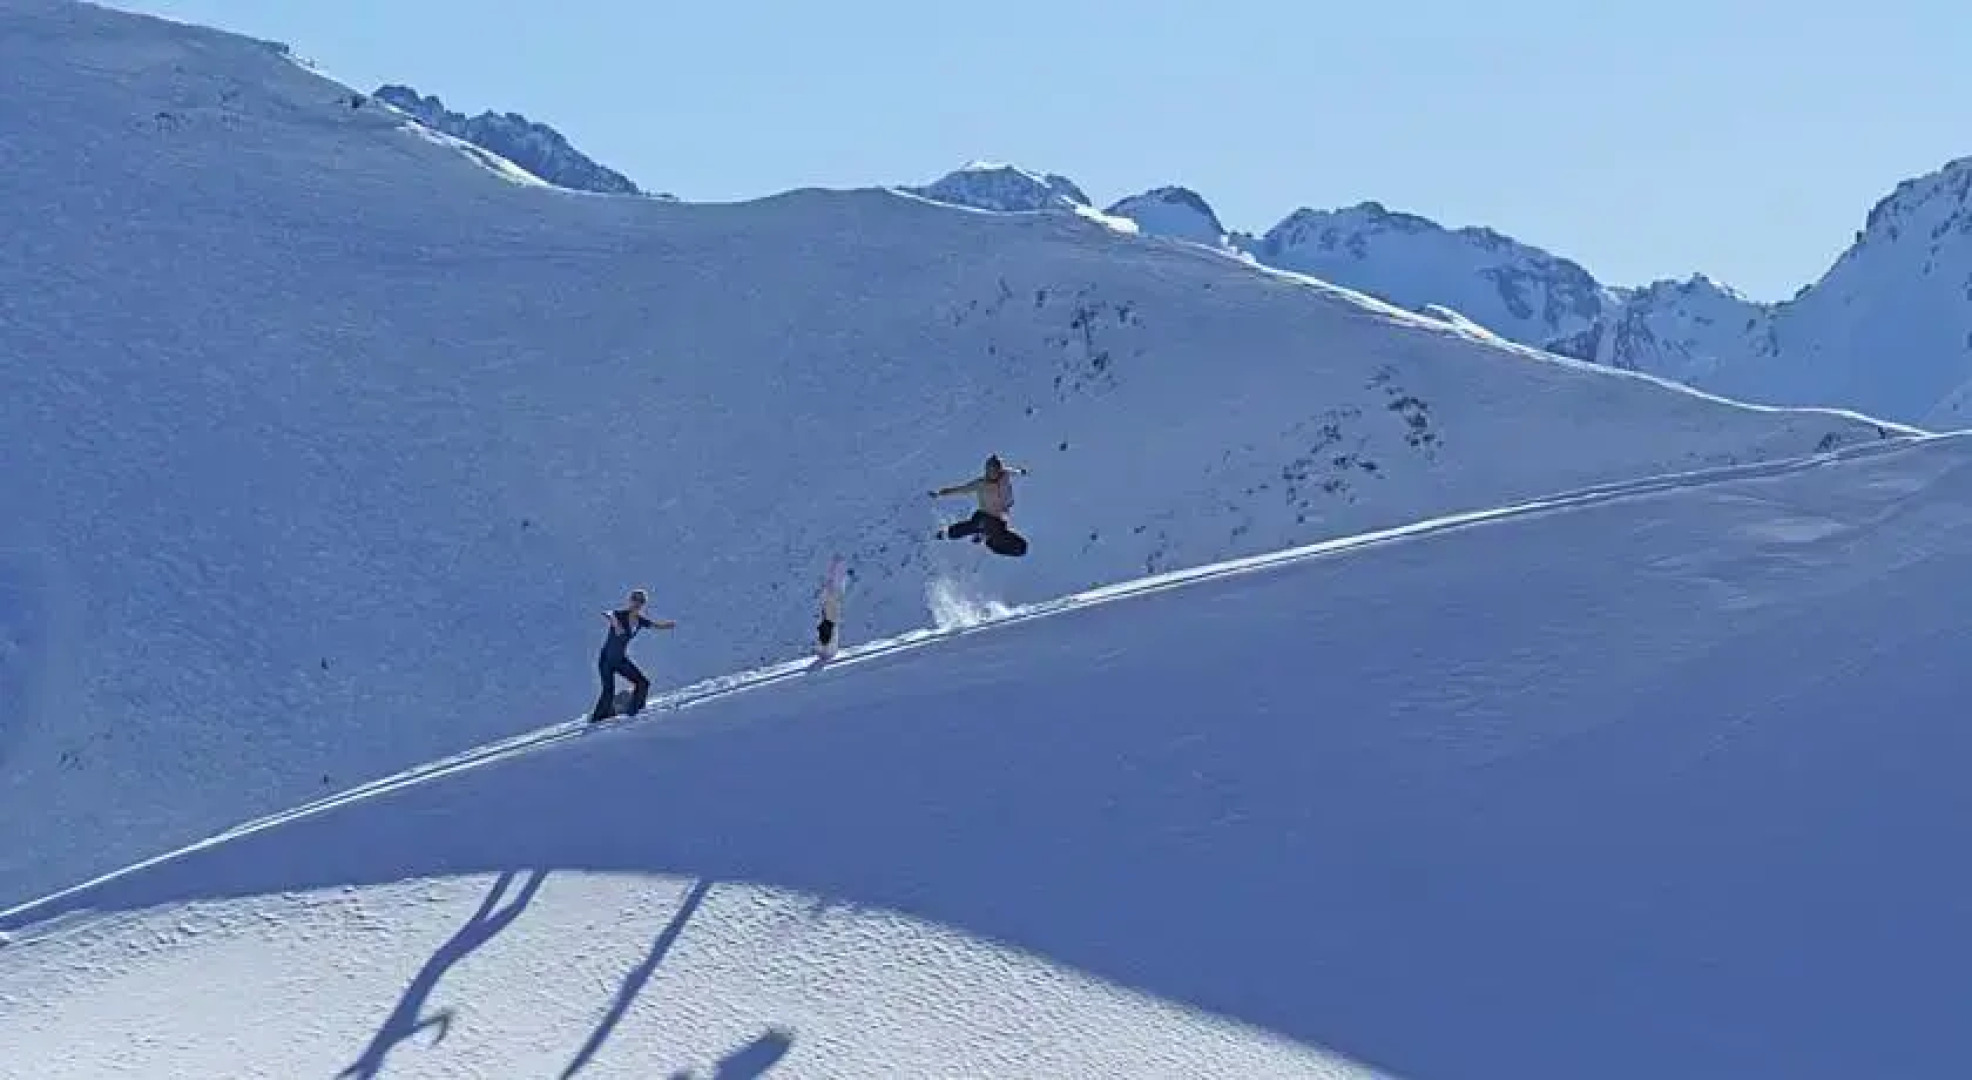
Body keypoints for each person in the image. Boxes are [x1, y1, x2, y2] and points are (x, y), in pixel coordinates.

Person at [590, 588, 676, 721]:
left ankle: (634, 712)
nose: (637, 603)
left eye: (641, 601)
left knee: (643, 683)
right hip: (606, 660)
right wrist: (616, 625)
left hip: (620, 660)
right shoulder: (620, 615)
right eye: (635, 600)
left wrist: (666, 626)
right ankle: (597, 719)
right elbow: (609, 614)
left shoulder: (640, 620)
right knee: (608, 691)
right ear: (630, 601)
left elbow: (654, 625)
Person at [930, 454, 1030, 556]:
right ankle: (946, 533)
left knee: (1018, 545)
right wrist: (940, 493)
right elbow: (960, 489)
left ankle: (984, 536)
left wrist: (1021, 472)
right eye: (990, 471)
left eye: (996, 471)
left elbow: (1014, 472)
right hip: (984, 515)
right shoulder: (980, 484)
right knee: (974, 526)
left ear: (1000, 470)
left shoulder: (1005, 474)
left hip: (999, 520)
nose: (993, 474)